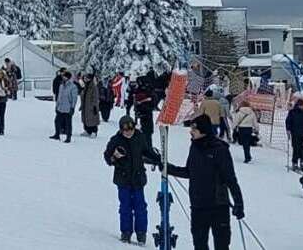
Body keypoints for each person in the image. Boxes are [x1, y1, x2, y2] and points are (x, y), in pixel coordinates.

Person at [167, 115, 245, 250]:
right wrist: (167, 168)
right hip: (198, 206)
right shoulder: (195, 146)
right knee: (199, 244)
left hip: (218, 206)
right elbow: (189, 172)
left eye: (194, 129)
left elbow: (230, 179)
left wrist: (239, 203)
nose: (191, 131)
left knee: (222, 245)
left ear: (203, 130)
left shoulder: (220, 149)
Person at [103, 115, 162, 244]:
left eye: (131, 129)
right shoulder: (115, 140)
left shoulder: (140, 137)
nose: (129, 132)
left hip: (138, 178)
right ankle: (126, 232)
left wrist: (158, 159)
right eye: (126, 130)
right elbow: (107, 157)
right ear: (121, 130)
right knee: (125, 206)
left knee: (140, 206)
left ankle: (141, 233)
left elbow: (147, 151)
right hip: (123, 179)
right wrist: (114, 157)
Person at [285, 99, 303, 170]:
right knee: (296, 148)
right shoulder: (292, 112)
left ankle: (302, 162)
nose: (301, 107)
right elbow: (288, 121)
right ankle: (294, 162)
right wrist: (288, 130)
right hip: (294, 133)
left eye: (302, 105)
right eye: (299, 105)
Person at [53, 70, 78, 142]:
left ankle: (68, 137)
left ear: (68, 77)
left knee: (68, 123)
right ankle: (57, 134)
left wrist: (72, 107)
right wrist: (57, 105)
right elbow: (59, 97)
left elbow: (74, 98)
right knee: (57, 121)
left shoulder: (73, 87)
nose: (63, 77)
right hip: (60, 107)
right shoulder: (61, 85)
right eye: (63, 76)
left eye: (64, 76)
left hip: (68, 108)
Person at [133, 80, 156, 147]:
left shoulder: (143, 89)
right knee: (147, 133)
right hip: (145, 113)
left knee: (147, 133)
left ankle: (147, 148)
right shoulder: (142, 89)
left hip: (145, 113)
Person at [80, 73, 101, 137]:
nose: (85, 79)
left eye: (87, 78)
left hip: (91, 106)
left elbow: (95, 97)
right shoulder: (86, 86)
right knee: (86, 118)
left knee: (93, 119)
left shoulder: (93, 87)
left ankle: (94, 131)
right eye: (85, 78)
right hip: (85, 105)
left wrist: (94, 106)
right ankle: (87, 130)